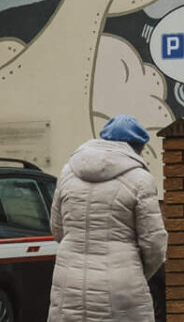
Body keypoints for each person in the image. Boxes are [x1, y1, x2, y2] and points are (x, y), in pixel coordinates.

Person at [49, 116, 166, 322]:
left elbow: (57, 230)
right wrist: (136, 271)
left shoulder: (68, 173)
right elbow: (154, 244)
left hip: (69, 281)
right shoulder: (140, 179)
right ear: (137, 147)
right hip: (121, 285)